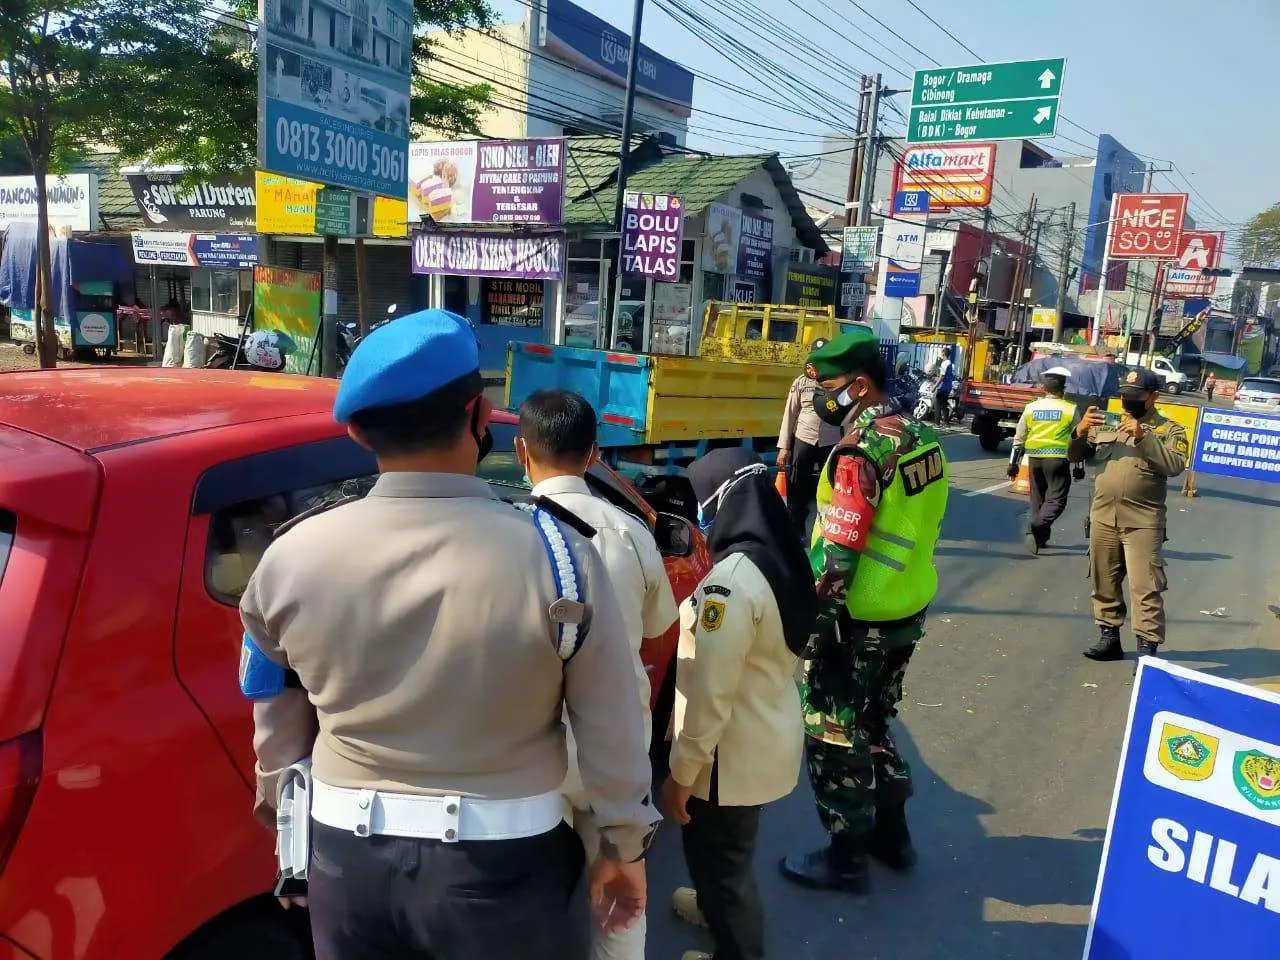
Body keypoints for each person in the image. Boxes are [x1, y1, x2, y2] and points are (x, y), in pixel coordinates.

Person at [239, 309, 660, 959]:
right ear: (481, 415)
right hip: (505, 867)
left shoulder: (289, 559)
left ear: (356, 432)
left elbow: (275, 719)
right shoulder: (559, 558)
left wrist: (287, 832)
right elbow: (611, 721)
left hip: (347, 863)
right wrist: (624, 845)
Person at [778, 327, 950, 895]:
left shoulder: (860, 453)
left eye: (825, 384)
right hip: (906, 614)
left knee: (832, 731)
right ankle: (893, 837)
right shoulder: (925, 438)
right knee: (876, 719)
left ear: (856, 385)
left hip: (857, 619)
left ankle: (846, 855)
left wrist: (808, 636)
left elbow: (837, 560)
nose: (819, 395)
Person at [516, 388, 680, 960]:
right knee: (616, 889)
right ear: (593, 455)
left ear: (521, 453)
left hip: (533, 751)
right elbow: (662, 625)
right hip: (614, 744)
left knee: (527, 895)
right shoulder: (632, 532)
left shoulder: (509, 534)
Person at [660, 448, 818, 960]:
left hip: (727, 757)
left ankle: (736, 942)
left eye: (704, 506)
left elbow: (710, 693)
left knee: (723, 864)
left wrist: (682, 774)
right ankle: (711, 903)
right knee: (728, 852)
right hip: (766, 734)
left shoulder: (730, 583)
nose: (701, 519)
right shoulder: (778, 556)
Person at [1070, 368, 1189, 664]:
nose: (1128, 401)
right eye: (1125, 395)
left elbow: (1174, 465)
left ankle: (1147, 654)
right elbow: (1075, 456)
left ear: (1153, 397)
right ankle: (1109, 638)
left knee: (1145, 587)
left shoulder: (1169, 430)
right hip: (1103, 517)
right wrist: (1080, 432)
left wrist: (1143, 438)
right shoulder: (1108, 423)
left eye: (1136, 396)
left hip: (1143, 522)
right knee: (1104, 580)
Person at [1007, 366, 1079, 554]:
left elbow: (1019, 437)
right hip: (1057, 459)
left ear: (1044, 388)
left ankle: (1040, 539)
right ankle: (1035, 526)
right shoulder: (1070, 409)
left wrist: (1013, 464)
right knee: (1057, 500)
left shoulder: (1031, 408)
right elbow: (1079, 438)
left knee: (1038, 499)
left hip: (1034, 459)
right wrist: (1079, 465)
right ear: (1063, 388)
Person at [777, 339, 843, 534]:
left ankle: (827, 530)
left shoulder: (840, 382)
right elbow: (790, 414)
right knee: (797, 487)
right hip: (804, 439)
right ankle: (796, 530)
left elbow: (847, 416)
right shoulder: (801, 382)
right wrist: (784, 447)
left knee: (830, 486)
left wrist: (849, 444)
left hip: (831, 442)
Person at [933, 346, 956, 427]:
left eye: (941, 353)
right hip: (948, 387)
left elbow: (942, 377)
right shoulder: (951, 364)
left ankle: (937, 423)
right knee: (944, 405)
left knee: (937, 405)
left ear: (943, 353)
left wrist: (935, 386)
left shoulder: (944, 363)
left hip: (942, 387)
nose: (941, 354)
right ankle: (946, 423)